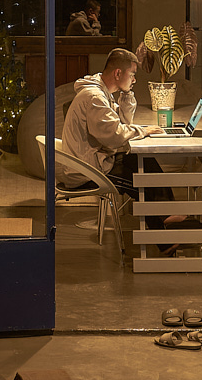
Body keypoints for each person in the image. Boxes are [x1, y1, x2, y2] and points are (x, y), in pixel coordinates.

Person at [59, 47, 176, 251]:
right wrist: (143, 131)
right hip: (86, 171)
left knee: (142, 161)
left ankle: (169, 218)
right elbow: (115, 135)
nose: (134, 79)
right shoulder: (95, 97)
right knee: (141, 182)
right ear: (118, 73)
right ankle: (167, 233)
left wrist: (127, 94)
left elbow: (122, 122)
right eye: (132, 74)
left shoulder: (101, 92)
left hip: (93, 161)